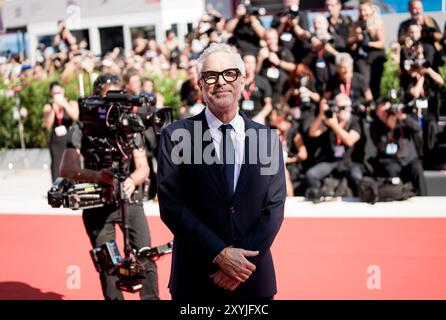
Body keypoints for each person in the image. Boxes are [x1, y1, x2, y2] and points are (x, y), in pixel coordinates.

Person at [157, 43, 286, 300]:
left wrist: (238, 266)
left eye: (229, 73)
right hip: (196, 279)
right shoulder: (176, 136)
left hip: (253, 280)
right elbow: (171, 205)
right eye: (211, 76)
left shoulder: (267, 139)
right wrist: (219, 254)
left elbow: (273, 208)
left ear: (242, 80)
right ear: (200, 85)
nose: (220, 82)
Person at [59, 75, 160, 300]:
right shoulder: (81, 126)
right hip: (96, 201)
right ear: (95, 98)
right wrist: (98, 176)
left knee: (144, 256)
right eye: (106, 98)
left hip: (129, 201)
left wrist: (131, 181)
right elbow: (66, 169)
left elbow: (143, 167)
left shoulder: (129, 123)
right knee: (108, 264)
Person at [306, 94, 363, 198]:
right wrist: (321, 114)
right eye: (338, 107)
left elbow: (350, 141)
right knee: (311, 174)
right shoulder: (330, 119)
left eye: (344, 108)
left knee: (356, 177)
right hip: (331, 161)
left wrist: (334, 126)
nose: (341, 110)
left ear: (349, 108)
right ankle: (319, 195)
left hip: (349, 161)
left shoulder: (354, 121)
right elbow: (312, 133)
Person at [370, 99, 427, 196]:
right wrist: (390, 125)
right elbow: (381, 147)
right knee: (391, 169)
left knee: (417, 167)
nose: (386, 113)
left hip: (408, 158)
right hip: (390, 160)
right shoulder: (375, 126)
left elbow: (417, 128)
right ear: (377, 112)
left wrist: (403, 117)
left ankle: (424, 197)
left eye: (387, 110)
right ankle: (396, 196)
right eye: (382, 111)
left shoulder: (403, 120)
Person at [347, 0, 385, 99]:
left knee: (376, 82)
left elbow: (382, 43)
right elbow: (349, 40)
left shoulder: (377, 23)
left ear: (370, 10)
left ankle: (376, 104)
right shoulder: (356, 24)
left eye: (364, 10)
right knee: (365, 80)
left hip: (375, 56)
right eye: (360, 10)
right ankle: (366, 101)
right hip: (362, 58)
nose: (363, 13)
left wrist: (368, 43)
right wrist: (356, 38)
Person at [43, 81, 79, 182]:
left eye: (59, 92)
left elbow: (76, 117)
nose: (57, 95)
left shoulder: (71, 103)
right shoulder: (48, 106)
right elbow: (48, 125)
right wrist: (53, 110)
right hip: (56, 142)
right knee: (57, 166)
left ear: (63, 91)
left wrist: (65, 104)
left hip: (70, 139)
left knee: (73, 165)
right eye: (54, 93)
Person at [239, 53, 273, 125]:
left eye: (253, 63)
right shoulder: (236, 82)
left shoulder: (263, 82)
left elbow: (268, 105)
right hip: (239, 118)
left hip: (257, 118)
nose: (250, 65)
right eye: (247, 62)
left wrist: (260, 117)